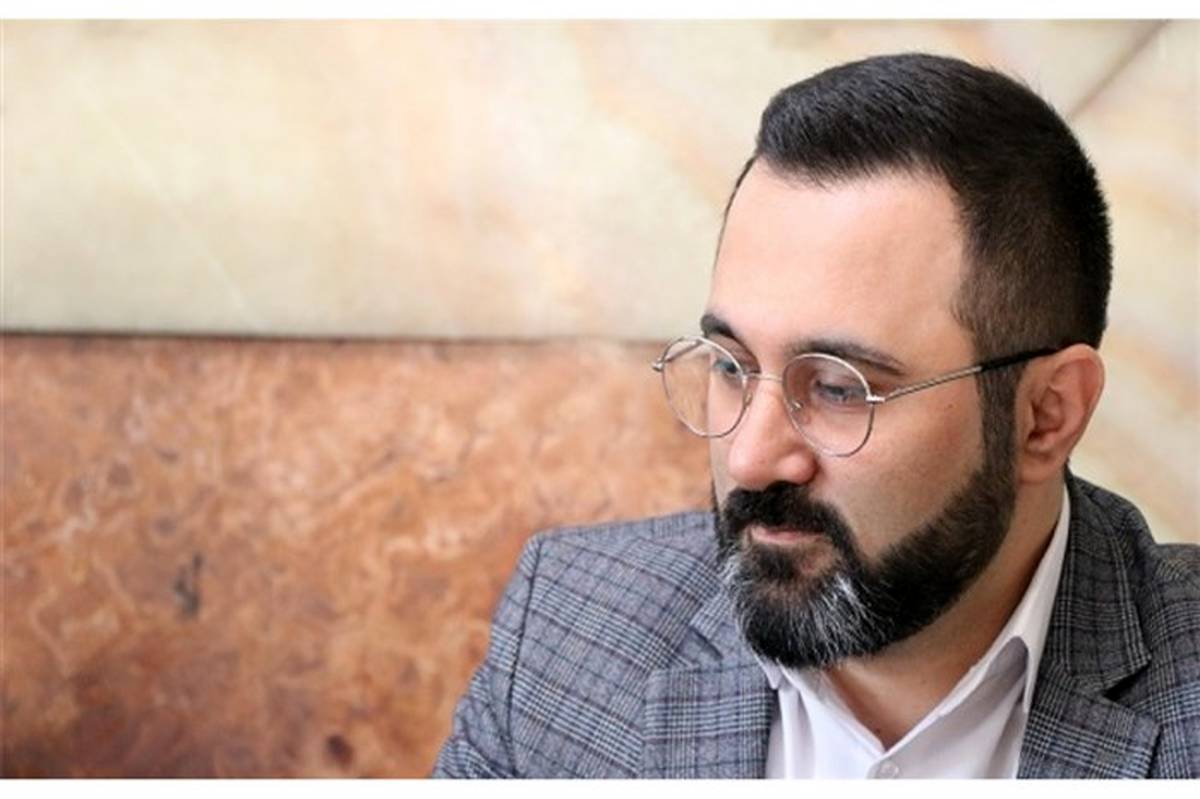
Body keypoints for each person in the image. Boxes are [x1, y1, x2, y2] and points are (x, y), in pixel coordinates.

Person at [432, 53, 1199, 778]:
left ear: (1045, 415)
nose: (749, 458)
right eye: (732, 366)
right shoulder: (570, 632)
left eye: (837, 387)